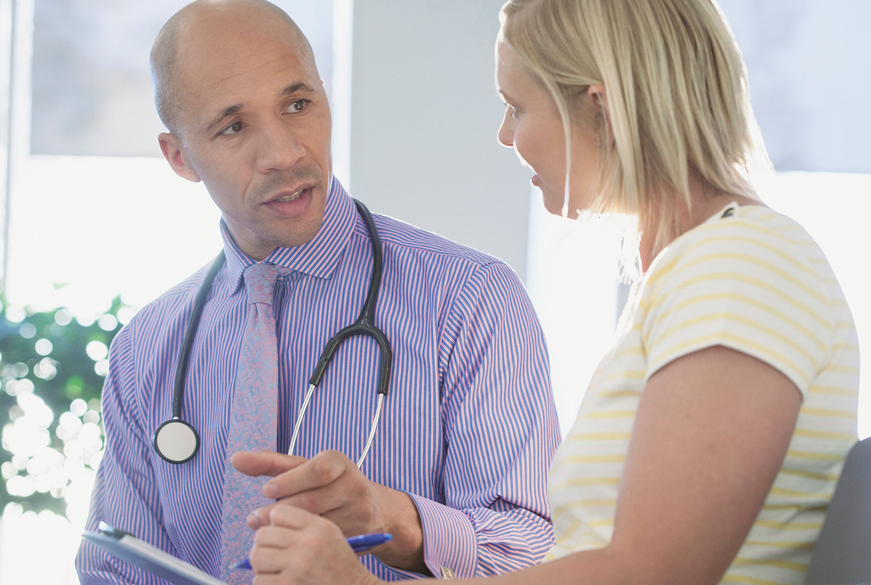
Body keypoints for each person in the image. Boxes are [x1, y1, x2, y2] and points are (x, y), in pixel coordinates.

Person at [246, 0, 860, 584]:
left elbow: (650, 576)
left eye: (518, 106)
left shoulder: (740, 266)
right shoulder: (693, 274)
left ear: (600, 110)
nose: (506, 136)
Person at [75, 1, 560, 583]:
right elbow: (114, 570)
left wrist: (400, 523)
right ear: (180, 158)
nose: (285, 154)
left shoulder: (471, 301)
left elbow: (534, 554)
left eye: (298, 104)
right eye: (233, 126)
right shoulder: (144, 350)